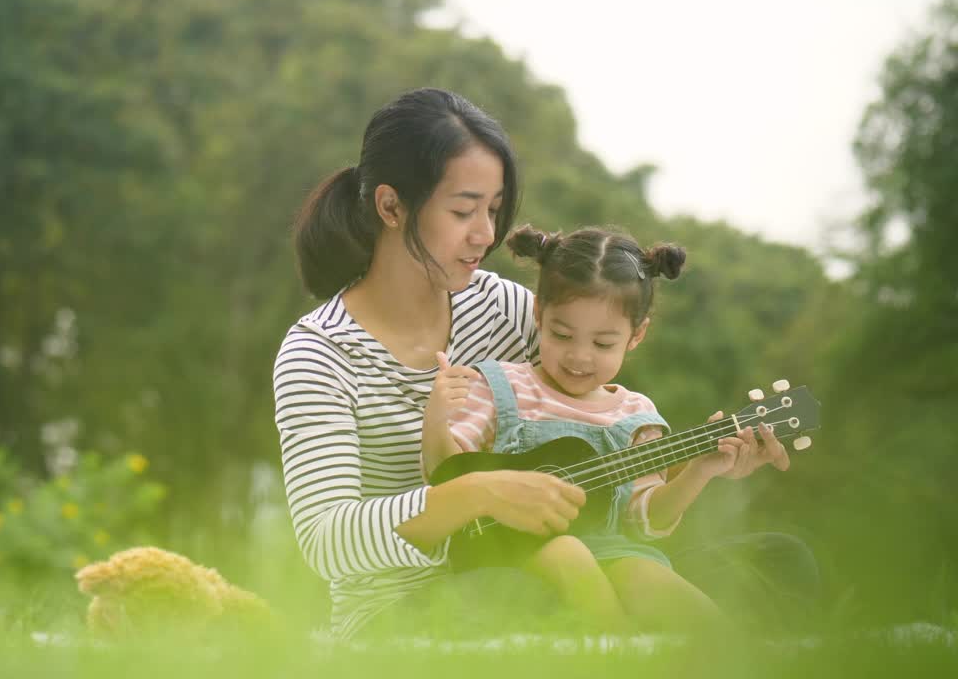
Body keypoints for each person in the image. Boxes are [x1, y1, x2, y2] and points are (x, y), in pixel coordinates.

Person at [273, 87, 816, 641]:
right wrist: (478, 493)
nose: (486, 233)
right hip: (413, 604)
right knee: (541, 587)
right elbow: (327, 540)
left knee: (776, 561)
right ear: (391, 207)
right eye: (463, 210)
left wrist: (703, 462)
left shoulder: (507, 309)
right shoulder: (320, 353)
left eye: (493, 209)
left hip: (573, 565)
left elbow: (591, 438)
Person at [422, 225, 754, 633]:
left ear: (637, 335)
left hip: (613, 548)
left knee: (665, 590)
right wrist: (436, 418)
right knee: (570, 554)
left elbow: (643, 522)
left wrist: (700, 471)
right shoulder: (501, 385)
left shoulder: (637, 414)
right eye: (562, 335)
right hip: (511, 550)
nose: (579, 356)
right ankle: (616, 657)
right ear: (539, 314)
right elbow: (446, 476)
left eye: (602, 344)